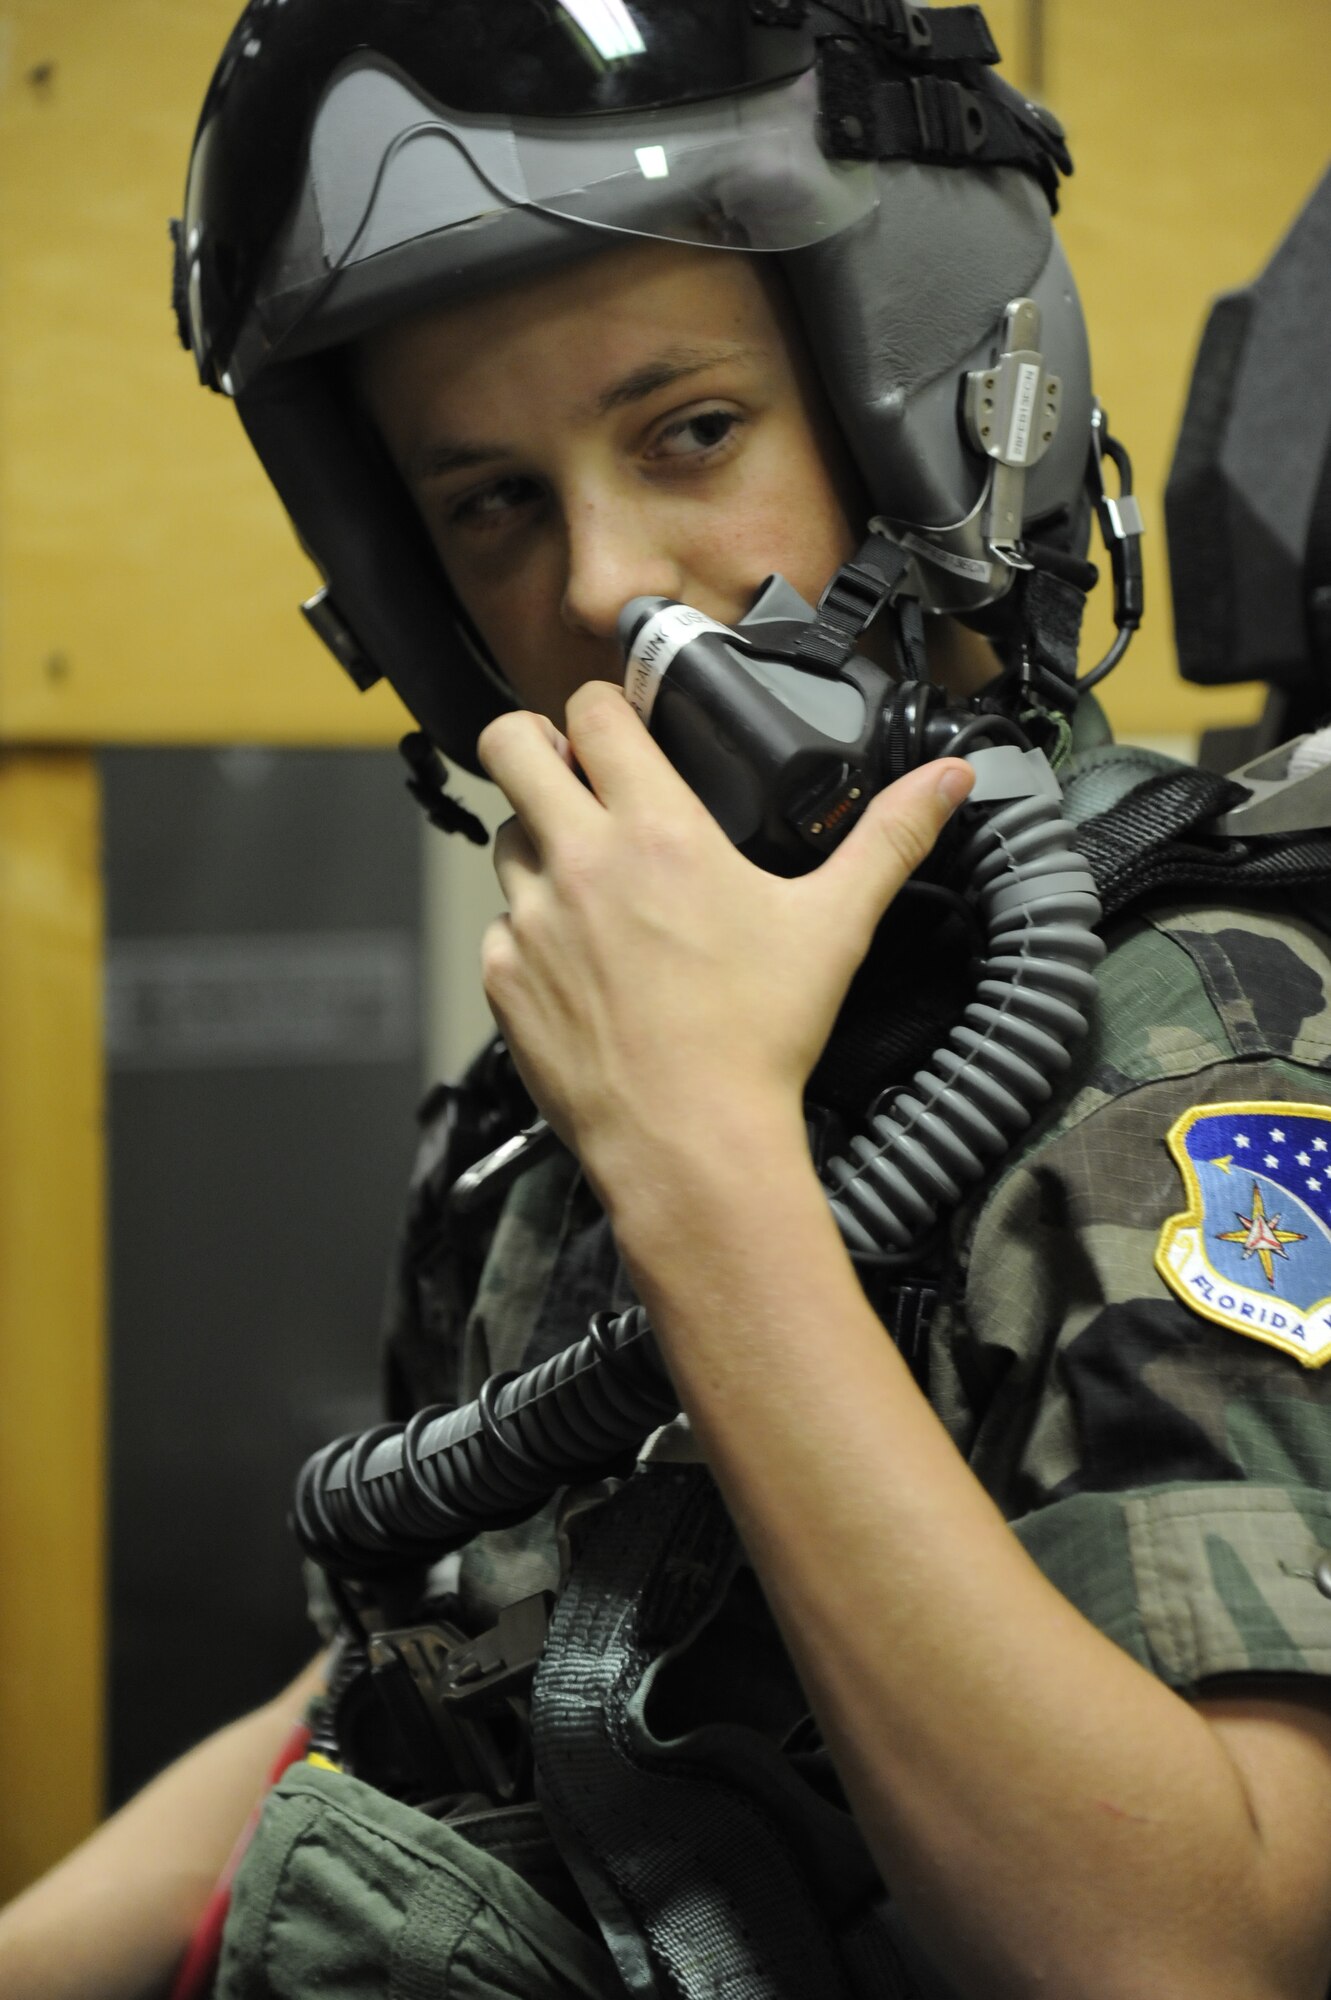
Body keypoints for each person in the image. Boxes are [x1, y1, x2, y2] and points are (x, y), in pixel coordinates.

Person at [5, 4, 1331, 1996]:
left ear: (931, 417)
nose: (598, 588)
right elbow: (412, 1689)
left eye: (689, 432)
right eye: (492, 505)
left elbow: (1198, 1952)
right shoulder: (571, 1087)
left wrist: (709, 1173)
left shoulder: (1183, 1038)